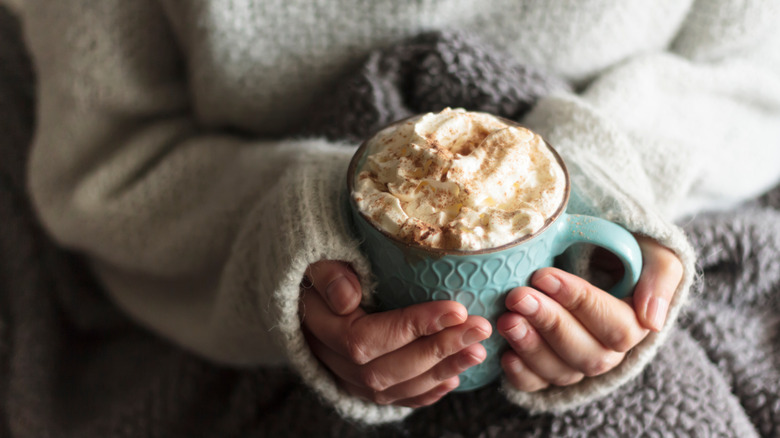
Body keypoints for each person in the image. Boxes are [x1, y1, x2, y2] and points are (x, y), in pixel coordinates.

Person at [15, 0, 780, 424]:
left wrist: (611, 183)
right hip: (223, 274)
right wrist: (283, 239)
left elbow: (751, 73)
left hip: (671, 189)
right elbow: (110, 160)